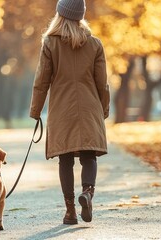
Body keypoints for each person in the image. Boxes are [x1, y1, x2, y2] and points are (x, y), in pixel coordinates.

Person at [29, 0, 109, 225]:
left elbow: (41, 81)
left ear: (60, 14)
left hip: (61, 110)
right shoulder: (94, 44)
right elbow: (102, 83)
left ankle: (70, 211)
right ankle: (88, 193)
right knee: (89, 156)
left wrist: (36, 111)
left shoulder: (50, 43)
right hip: (89, 108)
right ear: (81, 16)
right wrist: (103, 108)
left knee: (65, 160)